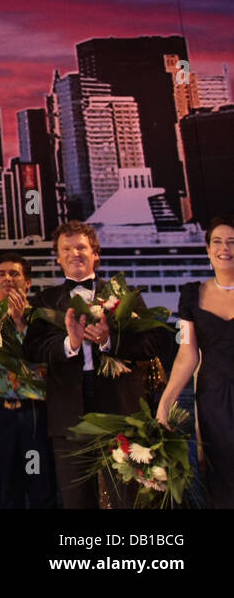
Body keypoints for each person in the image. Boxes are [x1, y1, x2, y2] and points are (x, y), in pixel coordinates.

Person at [24, 221, 164, 509]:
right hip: (68, 416)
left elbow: (151, 345)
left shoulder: (126, 295)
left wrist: (109, 342)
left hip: (121, 410)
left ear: (95, 254)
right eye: (66, 249)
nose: (74, 253)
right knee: (77, 501)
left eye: (81, 247)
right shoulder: (45, 300)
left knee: (128, 499)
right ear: (58, 257)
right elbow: (33, 349)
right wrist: (70, 345)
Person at [159, 215, 234, 507]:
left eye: (231, 242)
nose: (224, 248)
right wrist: (165, 404)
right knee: (223, 482)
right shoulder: (192, 294)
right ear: (207, 250)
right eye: (217, 242)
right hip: (213, 397)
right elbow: (186, 354)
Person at [0, 254, 57, 508]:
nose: (7, 278)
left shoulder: (42, 319)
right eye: (1, 274)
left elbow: (43, 358)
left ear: (28, 282)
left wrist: (19, 321)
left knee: (40, 488)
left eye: (14, 274)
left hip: (34, 415)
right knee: (6, 490)